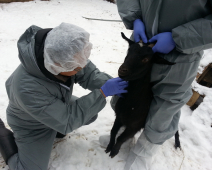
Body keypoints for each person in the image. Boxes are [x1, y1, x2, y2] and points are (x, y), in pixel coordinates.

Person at [109, 1, 212, 169]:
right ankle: (122, 135)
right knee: (127, 93)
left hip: (179, 57)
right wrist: (134, 17)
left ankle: (143, 152)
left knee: (165, 108)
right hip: (140, 49)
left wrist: (180, 38)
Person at [0, 22, 128, 170]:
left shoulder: (66, 53)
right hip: (31, 125)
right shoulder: (27, 88)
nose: (82, 67)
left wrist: (113, 84)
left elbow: (89, 74)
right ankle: (2, 135)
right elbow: (68, 120)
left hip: (54, 106)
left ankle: (56, 129)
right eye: (77, 66)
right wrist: (102, 93)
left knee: (90, 114)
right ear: (57, 65)